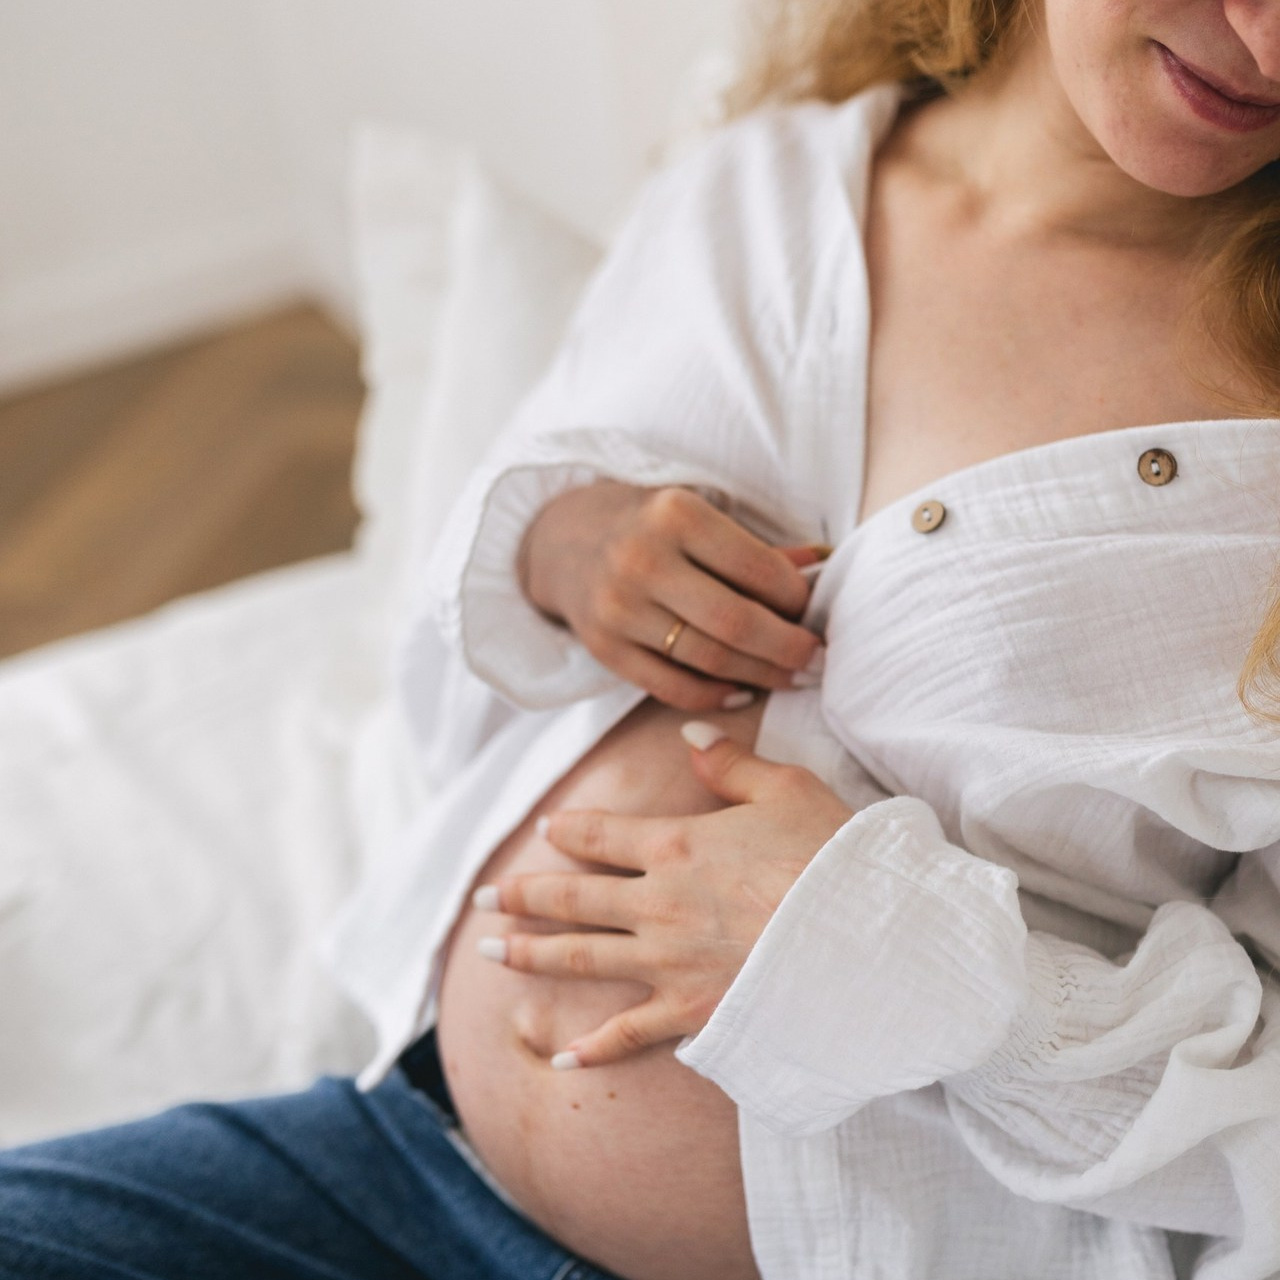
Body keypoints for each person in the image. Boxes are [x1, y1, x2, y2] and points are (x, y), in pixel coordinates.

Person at [4, 1, 1280, 1278]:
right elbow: (469, 628)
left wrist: (897, 953)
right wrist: (558, 547)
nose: (1267, 44)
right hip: (394, 1154)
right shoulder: (756, 184)